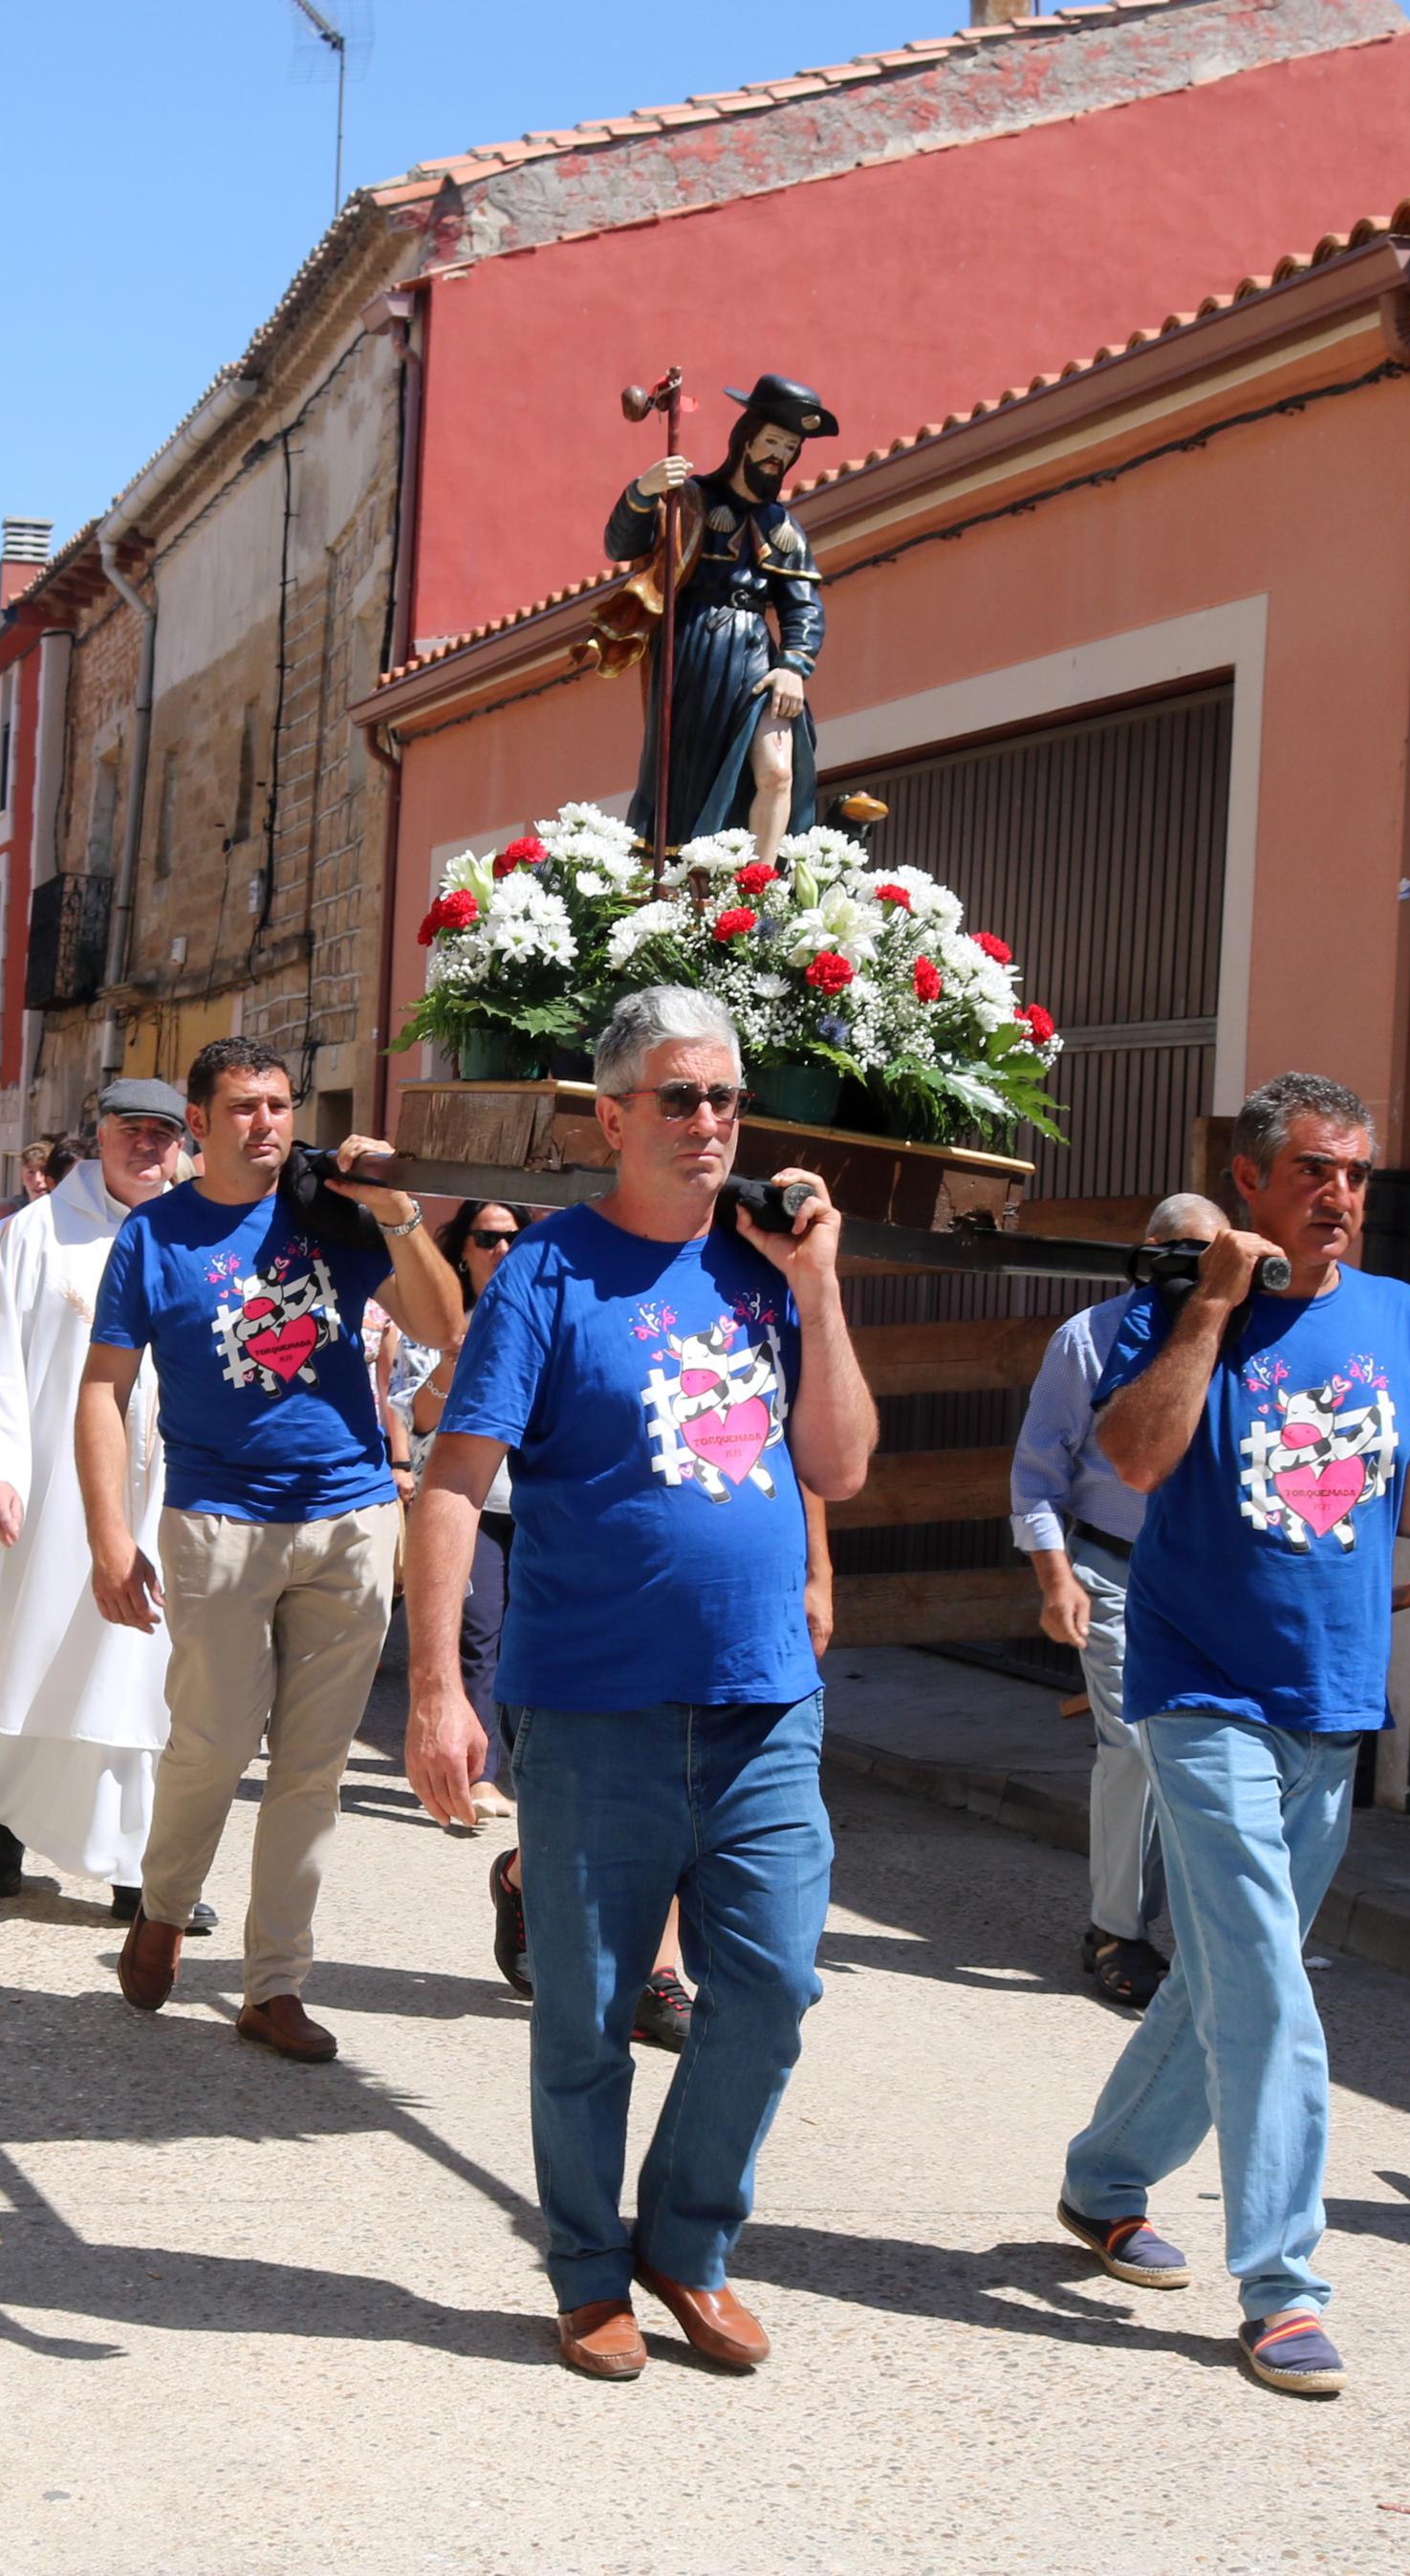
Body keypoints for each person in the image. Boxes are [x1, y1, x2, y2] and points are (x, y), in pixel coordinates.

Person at [405, 986, 875, 2381]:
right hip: (594, 1703)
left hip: (760, 1702)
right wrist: (437, 1686)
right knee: (587, 2006)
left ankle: (684, 2237)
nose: (710, 1121)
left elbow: (836, 1464)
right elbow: (450, 1484)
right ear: (611, 1115)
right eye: (679, 1096)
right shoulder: (547, 1272)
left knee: (773, 1983)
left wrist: (818, 1284)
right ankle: (585, 2269)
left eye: (726, 1096)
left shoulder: (764, 1268)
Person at [1055, 1071, 1410, 2401]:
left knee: (1222, 1972)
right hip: (1197, 1691)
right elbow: (1133, 1458)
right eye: (1315, 1172)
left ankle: (1103, 2176)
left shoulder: (1401, 1321)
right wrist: (1212, 1301)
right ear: (1253, 1183)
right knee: (1267, 1978)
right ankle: (1280, 2285)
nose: (1339, 1197)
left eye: (1357, 1177)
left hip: (1330, 1707)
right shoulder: (1177, 1315)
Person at [76, 1037, 466, 2063]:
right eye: (243, 1106)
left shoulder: (334, 1216)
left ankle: (272, 1985)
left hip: (346, 1519)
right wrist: (109, 1536)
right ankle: (163, 1903)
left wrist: (395, 1208)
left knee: (312, 1766)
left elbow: (441, 1322)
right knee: (208, 1741)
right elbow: (101, 1390)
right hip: (217, 1523)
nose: (266, 1123)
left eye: (280, 1104)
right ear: (197, 1123)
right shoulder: (154, 1237)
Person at [0, 1078, 210, 1928]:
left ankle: (137, 1867)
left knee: (142, 1673)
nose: (146, 1147)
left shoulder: (199, 1230)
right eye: (130, 1129)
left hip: (164, 1486)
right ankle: (4, 1823)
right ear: (100, 1132)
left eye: (163, 1133)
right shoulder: (37, 1232)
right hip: (51, 1489)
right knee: (38, 1646)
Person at [1009, 1192, 1226, 2014]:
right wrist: (1055, 1578)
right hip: (1113, 1565)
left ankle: (1206, 1929)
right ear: (1146, 1251)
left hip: (1210, 1579)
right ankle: (1116, 1932)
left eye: (1207, 1254)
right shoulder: (1089, 1340)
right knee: (1132, 1744)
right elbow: (1036, 1473)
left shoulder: (1242, 1339)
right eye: (1176, 1252)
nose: (1190, 1269)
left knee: (1207, 1748)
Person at [605, 373, 835, 858]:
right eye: (772, 441)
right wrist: (644, 491)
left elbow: (802, 603)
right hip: (695, 649)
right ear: (746, 439)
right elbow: (622, 545)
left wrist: (793, 665)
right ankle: (687, 876)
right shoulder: (691, 498)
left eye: (790, 447)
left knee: (777, 771)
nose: (780, 455)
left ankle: (760, 887)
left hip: (757, 654)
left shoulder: (783, 527)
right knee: (686, 778)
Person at [413, 1200, 534, 1820]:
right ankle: (477, 1776)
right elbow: (418, 1419)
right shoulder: (438, 1317)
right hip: (474, 1504)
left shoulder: (545, 1305)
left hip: (540, 1504)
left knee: (528, 1637)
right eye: (486, 1238)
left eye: (512, 1237)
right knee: (478, 1629)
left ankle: (532, 1771)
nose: (501, 1250)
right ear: (462, 1247)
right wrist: (451, 1358)